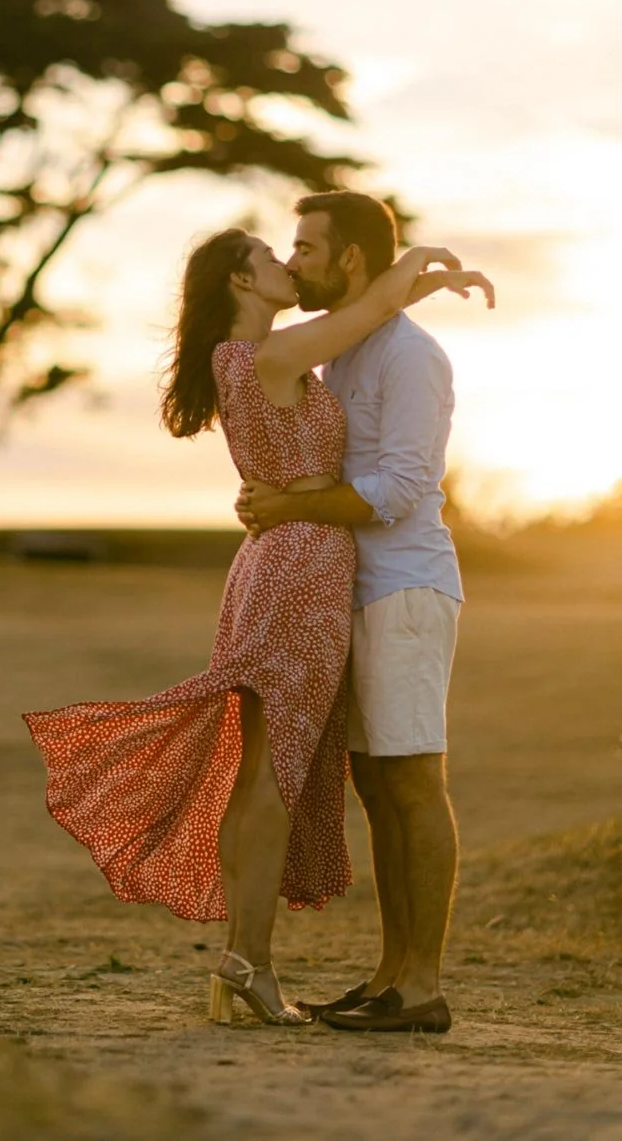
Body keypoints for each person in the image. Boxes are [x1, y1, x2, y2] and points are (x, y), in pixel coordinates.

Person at [24, 223, 491, 1028]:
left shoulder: (267, 356)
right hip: (301, 569)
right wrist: (419, 263)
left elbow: (368, 310)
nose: (286, 261)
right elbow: (369, 302)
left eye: (300, 247)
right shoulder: (270, 358)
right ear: (241, 282)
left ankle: (249, 964)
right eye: (273, 257)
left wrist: (408, 283)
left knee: (265, 771)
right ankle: (251, 966)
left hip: (287, 564)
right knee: (273, 773)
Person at [237, 191, 493, 1034]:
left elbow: (404, 487)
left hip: (407, 587)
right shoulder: (345, 351)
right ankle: (390, 974)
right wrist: (292, 495)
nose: (296, 259)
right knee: (377, 785)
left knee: (415, 780)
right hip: (354, 585)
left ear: (351, 258)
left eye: (307, 247)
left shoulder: (412, 357)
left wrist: (295, 505)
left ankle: (422, 984)